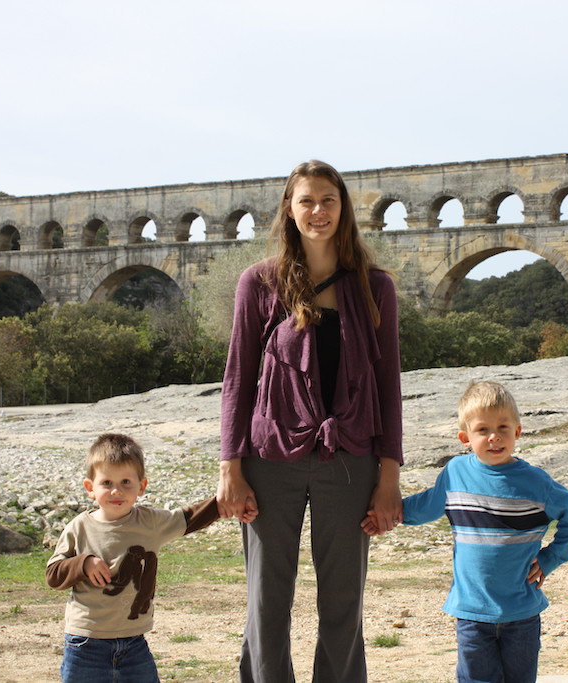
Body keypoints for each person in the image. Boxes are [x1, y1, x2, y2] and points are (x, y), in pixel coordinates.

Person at [217, 159, 404, 683]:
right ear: (289, 209)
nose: (318, 211)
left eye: (328, 200)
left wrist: (389, 477)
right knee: (266, 597)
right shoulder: (259, 283)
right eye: (307, 201)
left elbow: (389, 387)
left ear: (343, 208)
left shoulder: (375, 287)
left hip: (351, 458)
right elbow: (238, 380)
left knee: (344, 600)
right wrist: (230, 467)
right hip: (268, 458)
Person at [366, 380, 568, 683]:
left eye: (503, 428)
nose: (494, 437)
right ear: (465, 437)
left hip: (521, 612)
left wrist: (552, 558)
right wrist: (385, 516)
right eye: (482, 430)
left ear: (518, 432)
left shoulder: (537, 483)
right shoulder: (456, 473)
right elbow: (425, 506)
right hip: (471, 611)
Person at [46, 433, 219, 683]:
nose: (116, 490)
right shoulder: (79, 527)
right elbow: (53, 575)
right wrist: (83, 563)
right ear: (90, 488)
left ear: (142, 486)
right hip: (85, 643)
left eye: (126, 482)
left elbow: (190, 517)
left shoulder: (150, 522)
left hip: (134, 644)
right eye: (106, 483)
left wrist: (225, 500)